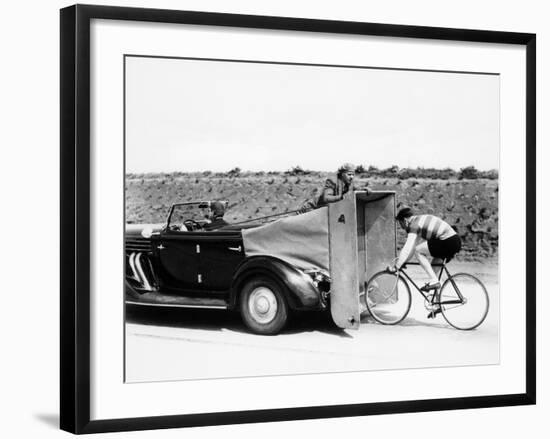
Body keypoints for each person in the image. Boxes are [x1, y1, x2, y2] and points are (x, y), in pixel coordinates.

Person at [388, 207, 462, 317]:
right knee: (433, 269)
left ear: (405, 220)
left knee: (419, 251)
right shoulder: (419, 222)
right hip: (453, 241)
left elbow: (409, 247)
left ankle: (434, 281)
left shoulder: (414, 225)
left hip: (448, 241)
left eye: (401, 224)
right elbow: (412, 247)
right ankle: (437, 305)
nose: (402, 227)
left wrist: (397, 266)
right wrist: (403, 262)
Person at [298, 163, 369, 213]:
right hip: (312, 208)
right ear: (342, 174)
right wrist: (341, 197)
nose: (351, 177)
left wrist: (364, 189)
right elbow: (326, 198)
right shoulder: (332, 181)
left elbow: (356, 189)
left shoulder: (349, 182)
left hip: (326, 210)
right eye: (349, 174)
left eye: (353, 175)